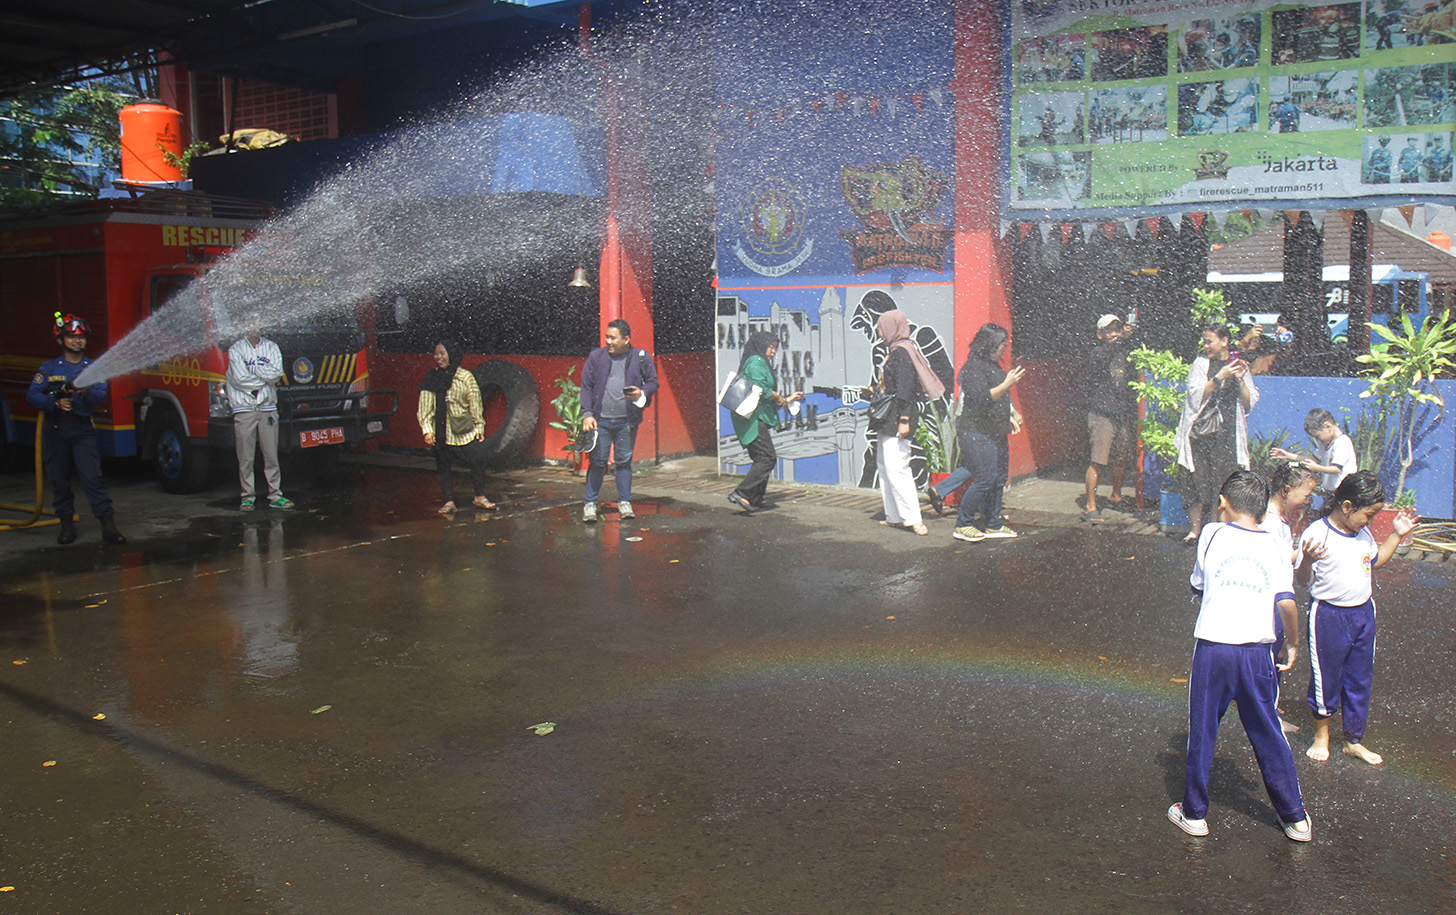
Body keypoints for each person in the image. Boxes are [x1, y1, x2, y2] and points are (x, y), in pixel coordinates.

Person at [1168, 470, 1311, 843]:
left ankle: (1194, 813)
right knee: (1266, 730)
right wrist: (1293, 643)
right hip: (1256, 652)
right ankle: (1294, 817)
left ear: (1222, 502)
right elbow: (1287, 602)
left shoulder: (1212, 535)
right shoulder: (1276, 546)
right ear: (1262, 512)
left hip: (1214, 648)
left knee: (1203, 729)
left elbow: (1198, 584)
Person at [1297, 471, 1418, 766]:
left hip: (1363, 614)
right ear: (1348, 506)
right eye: (1369, 515)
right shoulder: (1317, 533)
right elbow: (1302, 580)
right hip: (1328, 615)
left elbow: (1376, 561)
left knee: (1359, 678)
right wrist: (1308, 560)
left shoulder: (1362, 534)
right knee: (1327, 676)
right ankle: (1321, 735)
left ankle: (1353, 740)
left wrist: (1397, 535)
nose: (1371, 522)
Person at [25, 313, 126, 545]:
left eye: (81, 337)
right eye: (71, 337)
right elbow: (32, 395)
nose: (77, 341)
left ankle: (109, 528)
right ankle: (66, 527)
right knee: (59, 480)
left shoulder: (93, 368)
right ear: (61, 340)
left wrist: (85, 392)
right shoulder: (49, 368)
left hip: (82, 431)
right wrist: (55, 403)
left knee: (93, 478)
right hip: (55, 429)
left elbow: (100, 396)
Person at [1176, 324, 1258, 542]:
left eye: (1210, 341)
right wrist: (1219, 377)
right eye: (1204, 341)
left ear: (1224, 341)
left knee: (1220, 484)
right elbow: (1195, 397)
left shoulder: (1238, 365)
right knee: (1195, 481)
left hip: (1227, 435)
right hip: (1200, 434)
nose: (1206, 345)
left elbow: (1249, 402)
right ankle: (1194, 531)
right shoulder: (1201, 364)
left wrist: (1239, 379)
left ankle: (1213, 530)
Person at [872, 310, 944, 536]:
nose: (880, 332)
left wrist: (904, 420)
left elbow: (906, 390)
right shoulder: (896, 351)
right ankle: (894, 515)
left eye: (882, 328)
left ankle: (913, 518)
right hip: (889, 417)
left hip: (898, 417)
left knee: (897, 467)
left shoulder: (902, 353)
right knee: (885, 466)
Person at [1262, 460, 1321, 732]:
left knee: (1272, 657)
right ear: (1287, 490)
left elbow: (1283, 558)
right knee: (1272, 658)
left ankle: (1268, 703)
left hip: (1276, 599)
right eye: (1306, 494)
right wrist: (1303, 556)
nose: (1308, 500)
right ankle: (1268, 713)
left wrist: (1304, 556)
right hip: (1273, 601)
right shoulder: (1271, 524)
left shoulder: (1279, 521)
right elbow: (1275, 565)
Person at [579, 318, 658, 523]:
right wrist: (587, 414)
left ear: (626, 339)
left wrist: (642, 392)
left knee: (623, 462)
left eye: (613, 338)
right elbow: (586, 386)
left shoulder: (640, 357)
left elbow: (653, 382)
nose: (608, 341)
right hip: (600, 421)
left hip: (627, 421)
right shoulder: (596, 357)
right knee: (597, 462)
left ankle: (625, 503)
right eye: (607, 337)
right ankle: (590, 504)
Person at [951, 323, 1024, 543]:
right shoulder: (974, 367)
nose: (1004, 347)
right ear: (990, 344)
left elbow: (999, 400)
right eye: (1001, 343)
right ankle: (963, 524)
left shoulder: (995, 367)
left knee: (999, 478)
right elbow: (981, 399)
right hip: (976, 431)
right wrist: (1008, 383)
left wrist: (1011, 416)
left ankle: (993, 523)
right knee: (985, 478)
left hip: (995, 429)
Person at [727, 331, 803, 514]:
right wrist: (777, 396)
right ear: (761, 346)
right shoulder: (756, 361)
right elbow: (760, 389)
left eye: (775, 347)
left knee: (762, 458)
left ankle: (755, 498)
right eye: (771, 347)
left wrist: (786, 399)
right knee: (767, 458)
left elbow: (765, 395)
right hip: (752, 419)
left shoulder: (760, 361)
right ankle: (741, 492)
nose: (773, 351)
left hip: (756, 417)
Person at [417, 340, 496, 515]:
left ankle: (479, 496)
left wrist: (479, 426)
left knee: (477, 458)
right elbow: (425, 406)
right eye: (436, 353)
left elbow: (475, 403)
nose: (439, 357)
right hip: (441, 431)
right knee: (443, 465)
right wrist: (427, 429)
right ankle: (449, 501)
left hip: (464, 431)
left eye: (442, 353)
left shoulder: (465, 377)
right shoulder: (432, 377)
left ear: (452, 354)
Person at [227, 329, 293, 511]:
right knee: (245, 456)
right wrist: (265, 377)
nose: (256, 327)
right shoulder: (236, 349)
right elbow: (240, 379)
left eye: (259, 323)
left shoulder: (272, 347)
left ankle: (275, 494)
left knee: (271, 454)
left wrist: (253, 372)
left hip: (268, 408)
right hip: (244, 409)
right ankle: (247, 497)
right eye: (252, 323)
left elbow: (277, 373)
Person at [1082, 314, 1136, 523]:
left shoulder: (1125, 351)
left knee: (1120, 459)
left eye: (1117, 329)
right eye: (1109, 331)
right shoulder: (1098, 353)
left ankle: (1116, 495)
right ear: (1099, 334)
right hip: (1102, 413)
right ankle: (1090, 507)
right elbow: (1105, 356)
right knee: (1098, 460)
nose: (1114, 334)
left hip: (1121, 413)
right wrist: (1124, 339)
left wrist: (1130, 337)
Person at [1270, 407, 1357, 502]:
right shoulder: (1325, 444)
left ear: (1327, 426)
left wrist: (1316, 468)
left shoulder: (1342, 442)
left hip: (1344, 493)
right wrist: (1289, 455)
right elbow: (1313, 459)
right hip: (1331, 493)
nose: (1318, 440)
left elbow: (1336, 469)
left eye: (1317, 436)